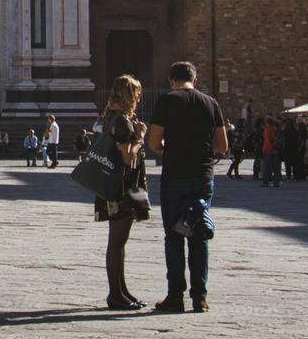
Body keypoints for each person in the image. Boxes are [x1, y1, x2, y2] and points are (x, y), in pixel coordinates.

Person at [145, 61, 227, 314]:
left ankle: (175, 296)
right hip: (203, 177)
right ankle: (200, 297)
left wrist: (172, 147)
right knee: (199, 235)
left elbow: (154, 143)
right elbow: (222, 145)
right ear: (195, 79)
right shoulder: (210, 103)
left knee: (174, 236)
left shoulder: (167, 101)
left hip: (175, 177)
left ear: (172, 80)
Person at [93, 75, 151, 311]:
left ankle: (122, 291)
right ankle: (115, 295)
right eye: (136, 95)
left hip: (114, 188)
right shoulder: (122, 121)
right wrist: (140, 137)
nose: (138, 99)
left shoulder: (112, 118)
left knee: (119, 242)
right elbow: (127, 157)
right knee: (116, 243)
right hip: (122, 190)